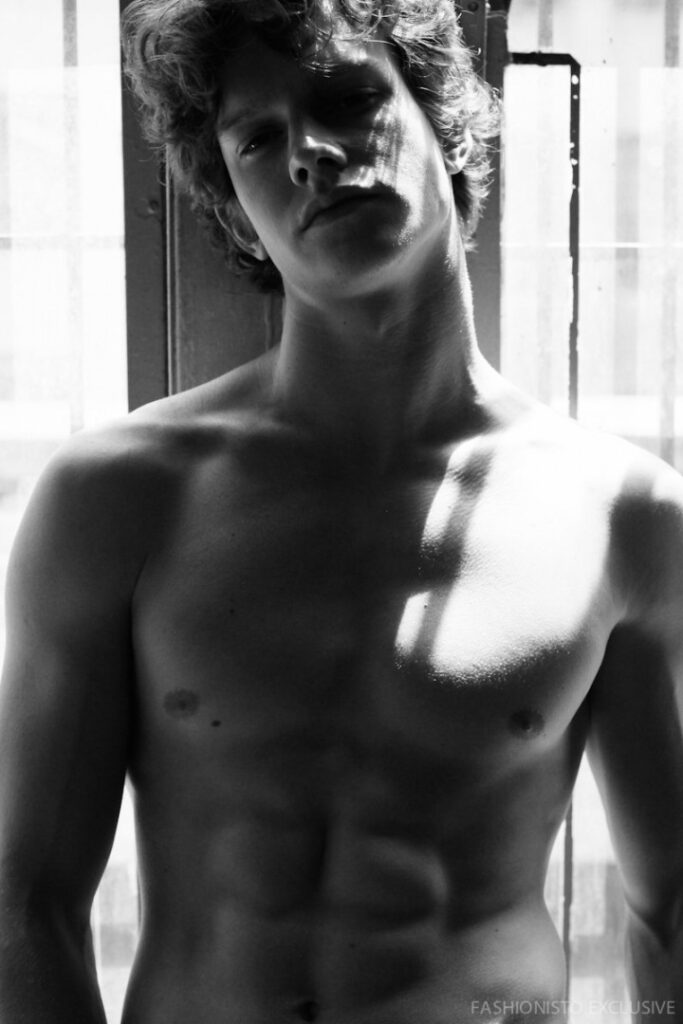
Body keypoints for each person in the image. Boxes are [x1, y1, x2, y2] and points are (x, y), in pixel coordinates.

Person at [0, 0, 682, 1021]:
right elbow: (25, 903)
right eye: (257, 140)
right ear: (237, 212)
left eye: (351, 98)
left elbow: (669, 911)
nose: (311, 152)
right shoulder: (116, 498)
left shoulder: (619, 514)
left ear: (447, 127)